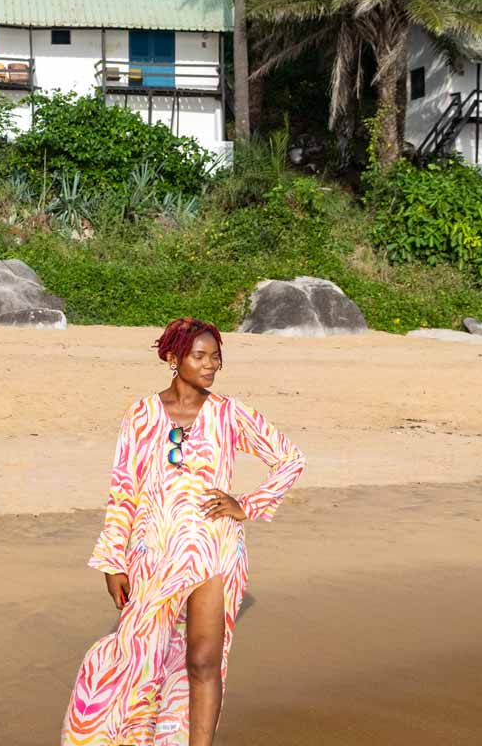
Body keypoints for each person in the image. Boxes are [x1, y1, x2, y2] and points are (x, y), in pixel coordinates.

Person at [61, 317, 306, 746]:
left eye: (215, 356)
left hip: (215, 551)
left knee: (204, 660)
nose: (210, 364)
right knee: (139, 656)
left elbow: (289, 459)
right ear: (174, 359)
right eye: (200, 356)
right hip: (153, 553)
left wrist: (245, 505)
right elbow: (123, 491)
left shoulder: (229, 413)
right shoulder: (141, 414)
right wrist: (112, 560)